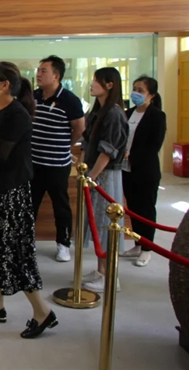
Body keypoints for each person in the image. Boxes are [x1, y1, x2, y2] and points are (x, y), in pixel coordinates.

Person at [0, 62, 57, 339]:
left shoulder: (18, 115)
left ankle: (42, 311)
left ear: (5, 85)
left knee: (16, 251)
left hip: (12, 192)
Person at [31, 55, 85, 262]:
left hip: (57, 164)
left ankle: (63, 244)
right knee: (29, 204)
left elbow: (79, 128)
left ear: (56, 76)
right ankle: (27, 243)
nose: (39, 74)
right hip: (33, 163)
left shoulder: (69, 100)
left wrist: (64, 144)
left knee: (60, 206)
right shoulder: (34, 96)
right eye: (38, 70)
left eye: (43, 71)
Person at [81, 67, 128, 293]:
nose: (92, 85)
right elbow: (87, 142)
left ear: (109, 84)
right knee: (97, 223)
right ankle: (101, 270)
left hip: (105, 175)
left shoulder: (114, 113)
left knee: (106, 224)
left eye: (96, 81)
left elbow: (107, 151)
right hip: (95, 173)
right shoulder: (98, 111)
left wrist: (92, 176)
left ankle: (110, 276)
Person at [120, 76, 166, 267]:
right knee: (133, 208)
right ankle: (138, 243)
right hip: (126, 169)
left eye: (141, 91)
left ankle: (147, 248)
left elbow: (154, 145)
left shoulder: (157, 116)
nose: (136, 93)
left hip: (145, 170)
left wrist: (132, 155)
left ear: (151, 95)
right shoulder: (128, 113)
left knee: (146, 209)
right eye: (134, 89)